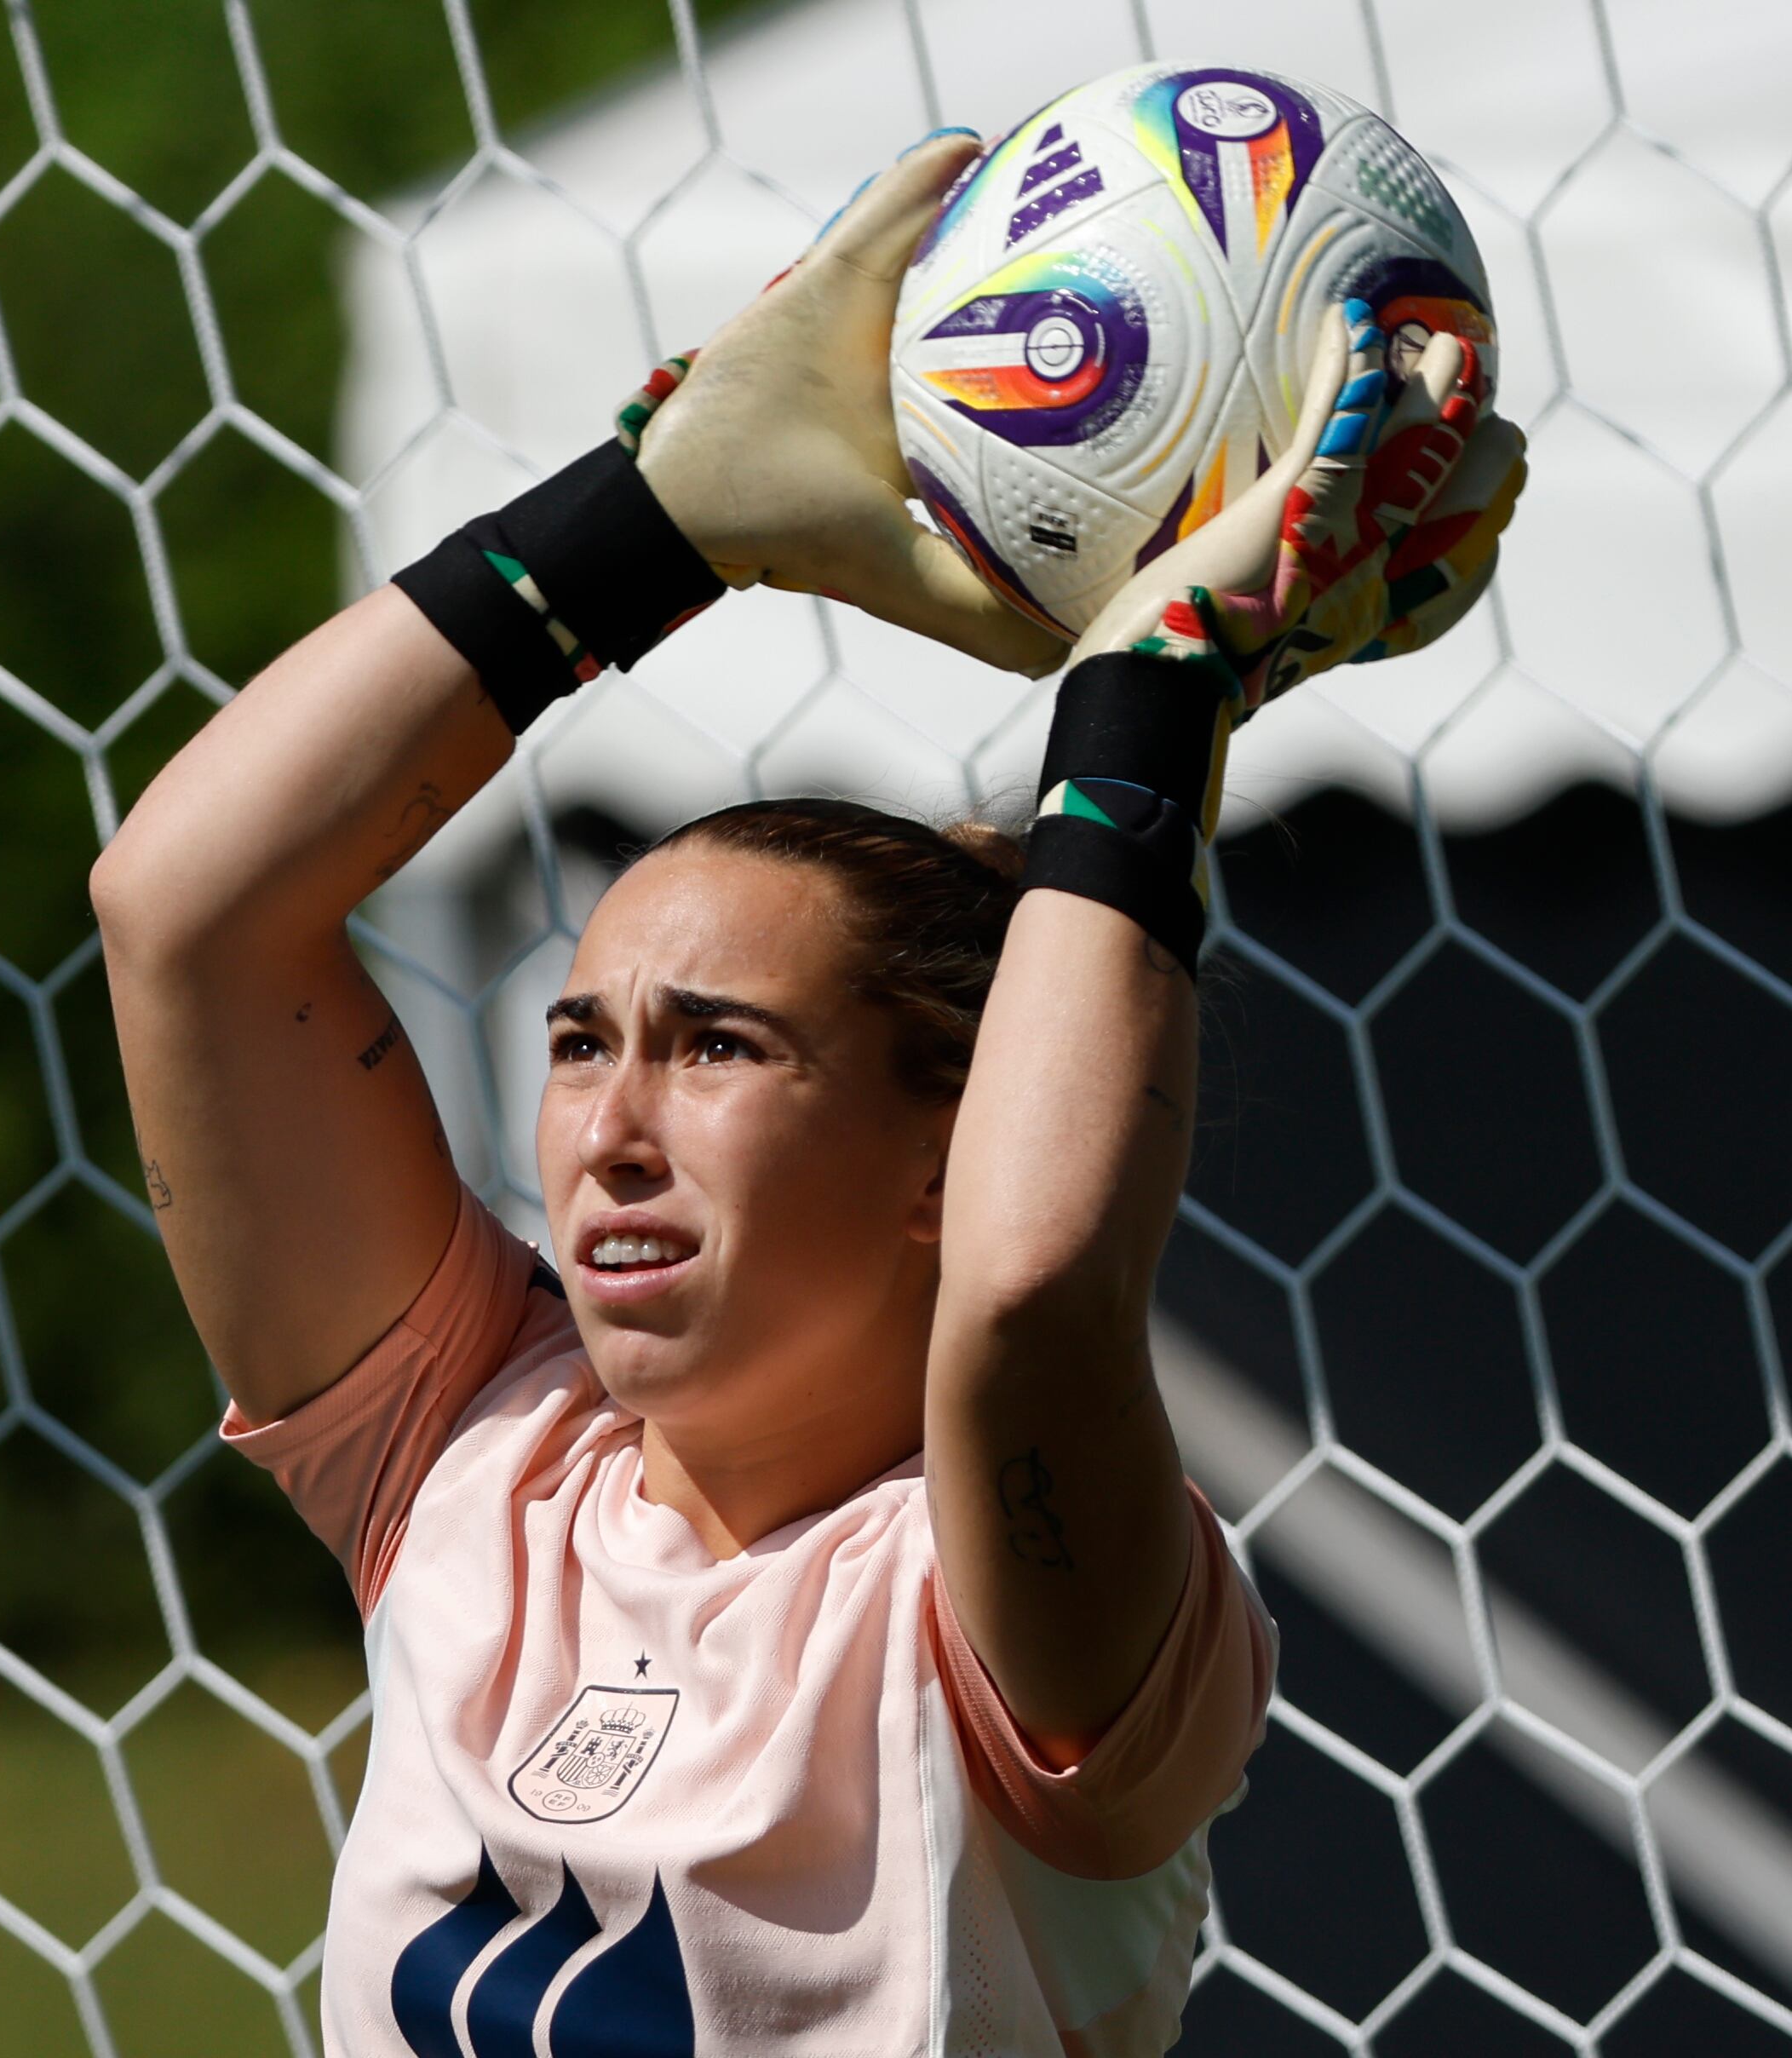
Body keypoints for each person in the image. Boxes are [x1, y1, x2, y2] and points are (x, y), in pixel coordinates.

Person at [89, 129, 1523, 2058]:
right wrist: (657, 522)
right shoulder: (473, 1466)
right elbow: (182, 912)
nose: (607, 1125)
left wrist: (1154, 693)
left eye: (719, 1045)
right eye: (582, 1037)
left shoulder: (997, 1599)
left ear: (944, 1142)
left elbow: (1028, 1292)